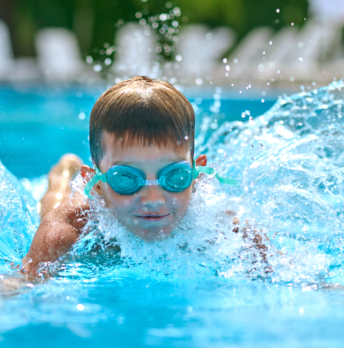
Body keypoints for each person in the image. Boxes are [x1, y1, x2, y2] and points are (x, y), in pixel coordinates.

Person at [21, 76, 250, 277]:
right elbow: (18, 285)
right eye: (126, 179)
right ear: (98, 185)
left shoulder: (223, 226)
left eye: (175, 177)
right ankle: (64, 170)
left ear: (196, 176)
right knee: (54, 201)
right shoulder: (70, 226)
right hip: (77, 206)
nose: (153, 199)